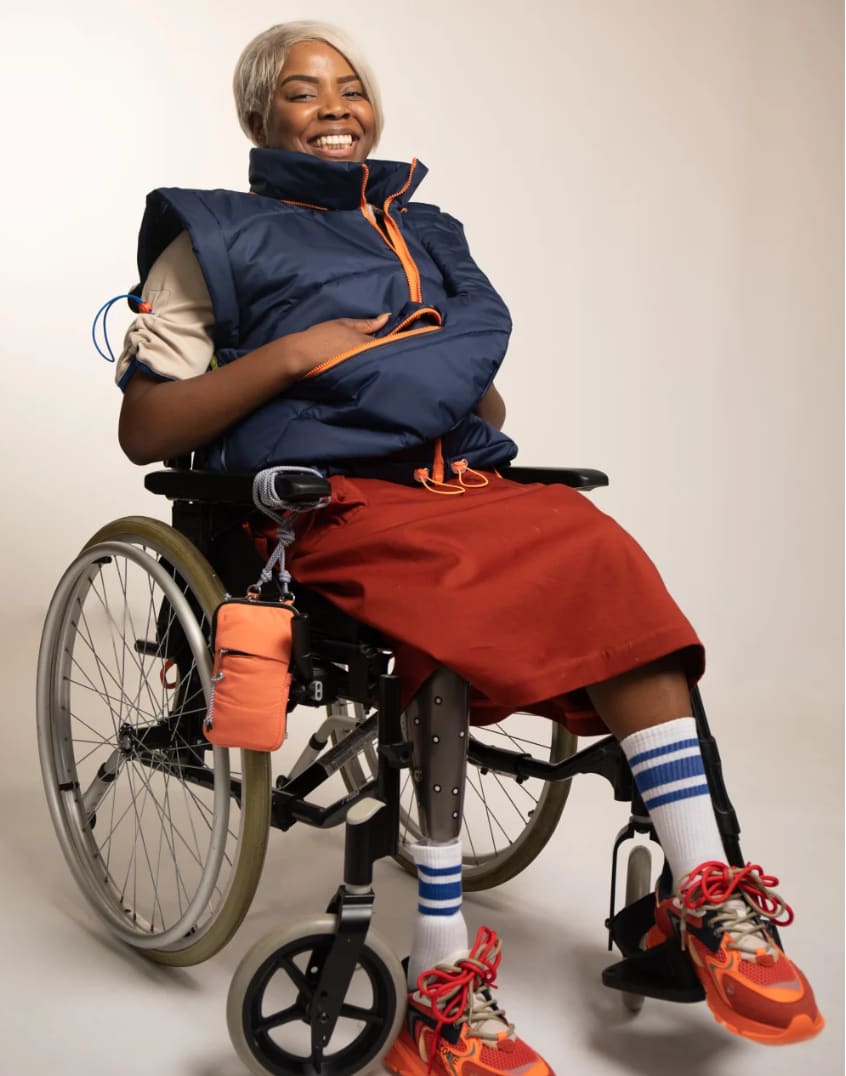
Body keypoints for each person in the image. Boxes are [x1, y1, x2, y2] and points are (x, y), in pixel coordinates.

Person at [115, 21, 823, 1074]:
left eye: (352, 87)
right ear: (261, 116)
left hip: (456, 482)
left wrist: (431, 369)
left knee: (601, 552)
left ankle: (711, 894)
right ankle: (442, 979)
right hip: (323, 504)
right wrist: (299, 353)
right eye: (306, 92)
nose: (339, 106)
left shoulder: (426, 230)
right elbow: (148, 431)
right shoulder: (211, 235)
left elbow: (483, 394)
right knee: (450, 597)